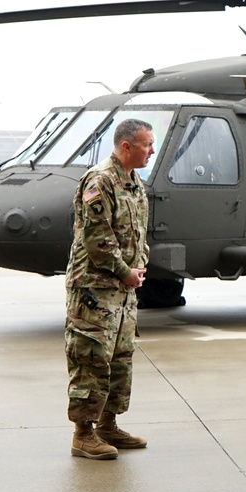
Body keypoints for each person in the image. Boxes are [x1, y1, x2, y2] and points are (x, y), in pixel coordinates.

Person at [65, 118, 155, 460]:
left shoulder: (134, 183)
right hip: (94, 288)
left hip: (123, 288)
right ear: (126, 146)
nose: (151, 151)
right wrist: (124, 271)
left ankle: (107, 424)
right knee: (91, 357)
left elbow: (139, 233)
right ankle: (83, 434)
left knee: (120, 358)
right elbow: (97, 239)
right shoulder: (99, 181)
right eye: (147, 144)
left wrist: (139, 265)